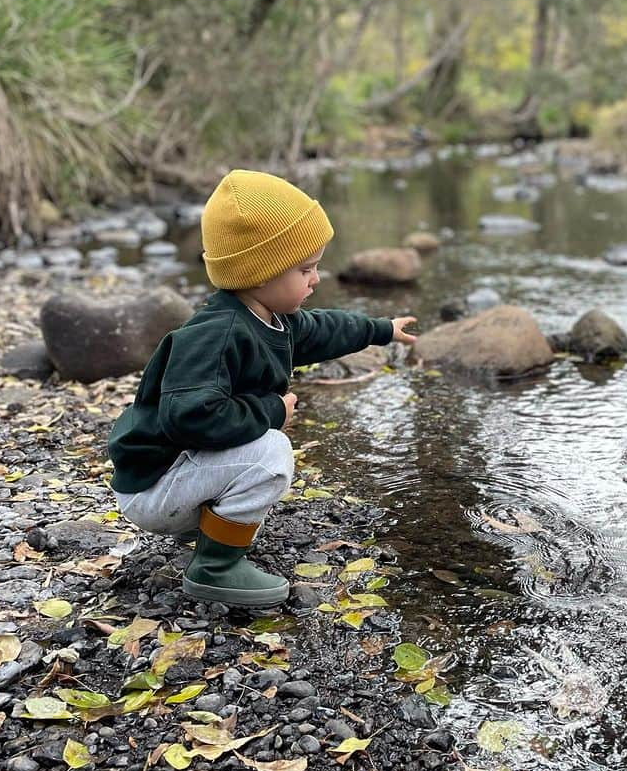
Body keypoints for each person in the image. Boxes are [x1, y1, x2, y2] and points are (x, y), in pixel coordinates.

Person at [107, 169, 417, 608]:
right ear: (259, 273)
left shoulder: (271, 318)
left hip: (172, 469)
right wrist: (271, 411)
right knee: (271, 453)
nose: (317, 278)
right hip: (151, 486)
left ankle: (210, 529)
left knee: (260, 446)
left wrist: (381, 329)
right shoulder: (215, 335)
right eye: (305, 269)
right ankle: (214, 568)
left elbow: (323, 329)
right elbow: (189, 415)